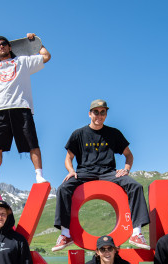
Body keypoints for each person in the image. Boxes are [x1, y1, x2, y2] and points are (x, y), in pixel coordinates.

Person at [52, 100, 151, 251]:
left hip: (108, 173)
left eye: (102, 112)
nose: (99, 115)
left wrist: (126, 169)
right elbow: (68, 158)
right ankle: (65, 235)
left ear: (106, 114)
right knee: (63, 188)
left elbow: (129, 155)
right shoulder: (78, 134)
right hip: (84, 172)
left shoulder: (114, 133)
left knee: (135, 186)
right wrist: (71, 171)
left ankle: (136, 233)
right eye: (96, 112)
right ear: (89, 114)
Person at [0, 34, 51, 188]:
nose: (1, 46)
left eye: (4, 44)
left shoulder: (23, 61)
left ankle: (39, 176)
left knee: (32, 144)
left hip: (22, 107)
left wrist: (36, 43)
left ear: (10, 46)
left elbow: (46, 56)